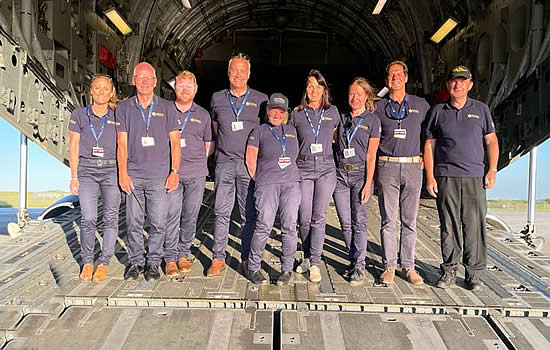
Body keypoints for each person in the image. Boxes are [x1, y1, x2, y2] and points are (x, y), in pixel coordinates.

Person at [424, 65, 499, 291]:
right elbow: (429, 145)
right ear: (448, 85)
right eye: (454, 81)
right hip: (446, 176)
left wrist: (492, 169)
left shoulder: (481, 110)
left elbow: (491, 141)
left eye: (462, 81)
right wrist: (430, 176)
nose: (458, 84)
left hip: (474, 177)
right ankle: (448, 270)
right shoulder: (437, 112)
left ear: (470, 85)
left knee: (474, 226)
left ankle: (473, 274)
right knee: (449, 226)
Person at [116, 62, 181, 281]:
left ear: (155, 81)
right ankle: (135, 262)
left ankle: (153, 262)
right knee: (133, 222)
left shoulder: (167, 107)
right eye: (139, 77)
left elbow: (175, 142)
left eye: (148, 77)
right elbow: (121, 143)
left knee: (158, 222)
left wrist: (174, 171)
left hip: (159, 175)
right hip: (134, 174)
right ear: (134, 80)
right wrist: (122, 173)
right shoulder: (124, 108)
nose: (144, 81)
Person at [208, 53, 268, 276]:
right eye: (234, 70)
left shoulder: (261, 99)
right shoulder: (217, 98)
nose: (238, 74)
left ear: (249, 74)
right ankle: (218, 258)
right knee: (220, 212)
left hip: (247, 165)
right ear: (228, 72)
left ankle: (245, 258)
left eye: (242, 71)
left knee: (248, 215)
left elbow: (266, 131)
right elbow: (216, 128)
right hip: (224, 162)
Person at [374, 61, 430, 286]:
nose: (394, 77)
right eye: (390, 74)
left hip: (412, 166)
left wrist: (427, 157)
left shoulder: (421, 105)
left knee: (409, 220)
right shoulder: (377, 107)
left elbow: (431, 134)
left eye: (398, 74)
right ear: (386, 79)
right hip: (387, 165)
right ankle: (389, 266)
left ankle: (408, 266)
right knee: (388, 220)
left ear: (406, 78)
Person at [289, 69, 339, 283]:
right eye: (310, 86)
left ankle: (315, 262)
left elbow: (341, 138)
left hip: (327, 168)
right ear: (305, 89)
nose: (314, 90)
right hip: (303, 168)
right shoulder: (296, 114)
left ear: (324, 90)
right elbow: (289, 143)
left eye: (318, 86)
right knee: (304, 217)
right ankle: (307, 256)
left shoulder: (333, 112)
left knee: (319, 217)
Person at [245, 93, 301, 285]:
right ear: (267, 110)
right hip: (267, 184)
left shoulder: (292, 131)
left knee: (289, 227)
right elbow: (250, 159)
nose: (276, 114)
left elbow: (296, 155)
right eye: (273, 109)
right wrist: (260, 180)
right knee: (264, 225)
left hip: (291, 185)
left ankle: (287, 269)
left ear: (286, 113)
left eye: (281, 111)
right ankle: (253, 267)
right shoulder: (259, 131)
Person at [68, 74, 120, 282]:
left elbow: (124, 145)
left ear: (111, 92)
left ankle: (104, 262)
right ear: (90, 90)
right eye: (97, 88)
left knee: (111, 218)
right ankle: (87, 261)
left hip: (111, 171)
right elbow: (73, 146)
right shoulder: (79, 115)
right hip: (87, 170)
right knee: (88, 218)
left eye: (105, 88)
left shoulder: (117, 116)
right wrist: (74, 176)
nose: (100, 92)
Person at [333, 77, 380, 285]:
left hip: (360, 174)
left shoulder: (372, 121)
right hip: (341, 175)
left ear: (366, 97)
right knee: (345, 222)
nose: (354, 98)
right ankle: (354, 258)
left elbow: (372, 155)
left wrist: (369, 182)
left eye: (358, 95)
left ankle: (359, 266)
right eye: (351, 94)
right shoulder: (341, 118)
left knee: (359, 222)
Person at [165, 71, 212, 275]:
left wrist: (200, 160)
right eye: (181, 86)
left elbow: (209, 142)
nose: (184, 90)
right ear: (175, 88)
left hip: (196, 173)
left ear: (195, 89)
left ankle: (183, 253)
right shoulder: (165, 111)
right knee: (172, 214)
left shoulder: (202, 114)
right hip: (172, 172)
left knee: (191, 215)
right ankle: (169, 257)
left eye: (188, 86)